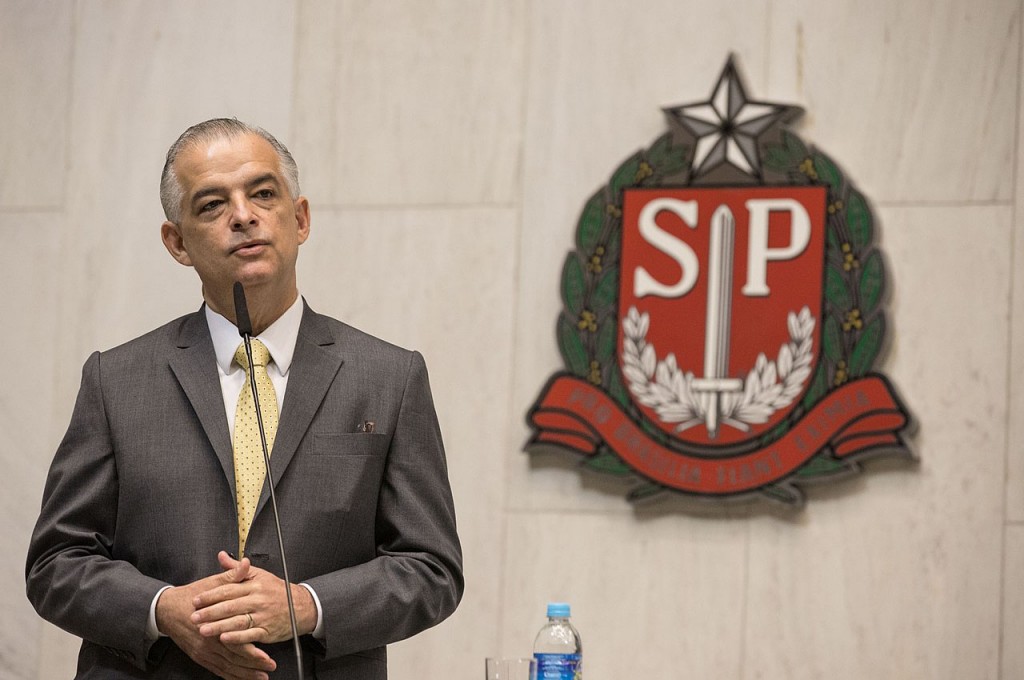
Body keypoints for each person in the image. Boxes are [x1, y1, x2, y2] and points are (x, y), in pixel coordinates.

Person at [25, 118, 464, 679]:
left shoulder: (389, 376)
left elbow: (432, 569)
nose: (243, 215)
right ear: (177, 242)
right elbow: (54, 564)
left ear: (299, 219)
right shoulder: (116, 380)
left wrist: (308, 605)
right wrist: (165, 612)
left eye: (262, 194)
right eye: (211, 205)